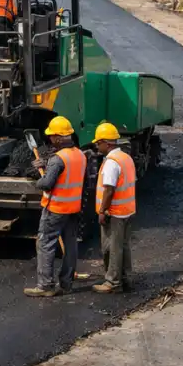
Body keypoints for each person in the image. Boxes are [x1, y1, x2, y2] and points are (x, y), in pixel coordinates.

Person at [24, 116, 87, 298]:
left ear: (59, 137)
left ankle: (45, 286)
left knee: (45, 244)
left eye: (52, 136)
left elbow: (47, 183)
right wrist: (46, 164)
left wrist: (38, 178)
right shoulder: (80, 155)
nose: (50, 139)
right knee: (71, 246)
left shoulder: (58, 159)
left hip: (56, 209)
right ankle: (66, 284)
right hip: (74, 208)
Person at [92, 122, 136, 294]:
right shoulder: (126, 158)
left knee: (112, 247)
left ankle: (113, 282)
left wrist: (102, 211)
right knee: (123, 246)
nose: (96, 145)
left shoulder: (111, 162)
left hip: (115, 212)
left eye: (99, 142)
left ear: (107, 143)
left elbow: (109, 190)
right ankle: (125, 278)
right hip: (128, 210)